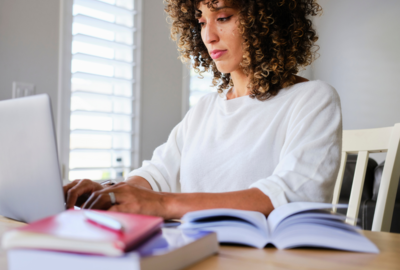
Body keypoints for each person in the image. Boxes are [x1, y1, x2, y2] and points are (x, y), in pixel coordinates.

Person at [63, 0, 342, 219]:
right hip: (197, 251)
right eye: (201, 21)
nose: (208, 35)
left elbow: (293, 193)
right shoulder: (205, 109)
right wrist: (109, 192)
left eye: (222, 17)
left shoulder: (312, 99)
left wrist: (163, 204)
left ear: (267, 20)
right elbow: (158, 173)